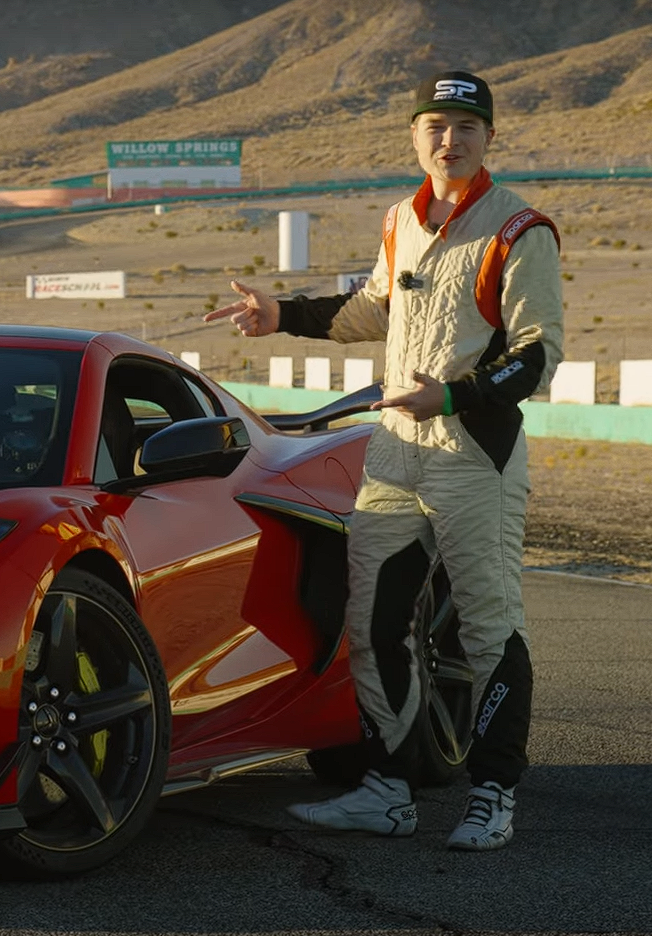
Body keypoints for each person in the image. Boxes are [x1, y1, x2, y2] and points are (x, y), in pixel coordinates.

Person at [205, 70, 563, 851]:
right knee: (373, 627)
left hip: (474, 456)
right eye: (435, 125)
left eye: (467, 126)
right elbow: (375, 307)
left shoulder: (519, 229)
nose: (450, 138)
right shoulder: (401, 218)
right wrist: (282, 314)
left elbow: (539, 357)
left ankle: (493, 795)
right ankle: (387, 790)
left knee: (487, 630)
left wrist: (458, 397)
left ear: (489, 137)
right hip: (395, 457)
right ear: (414, 136)